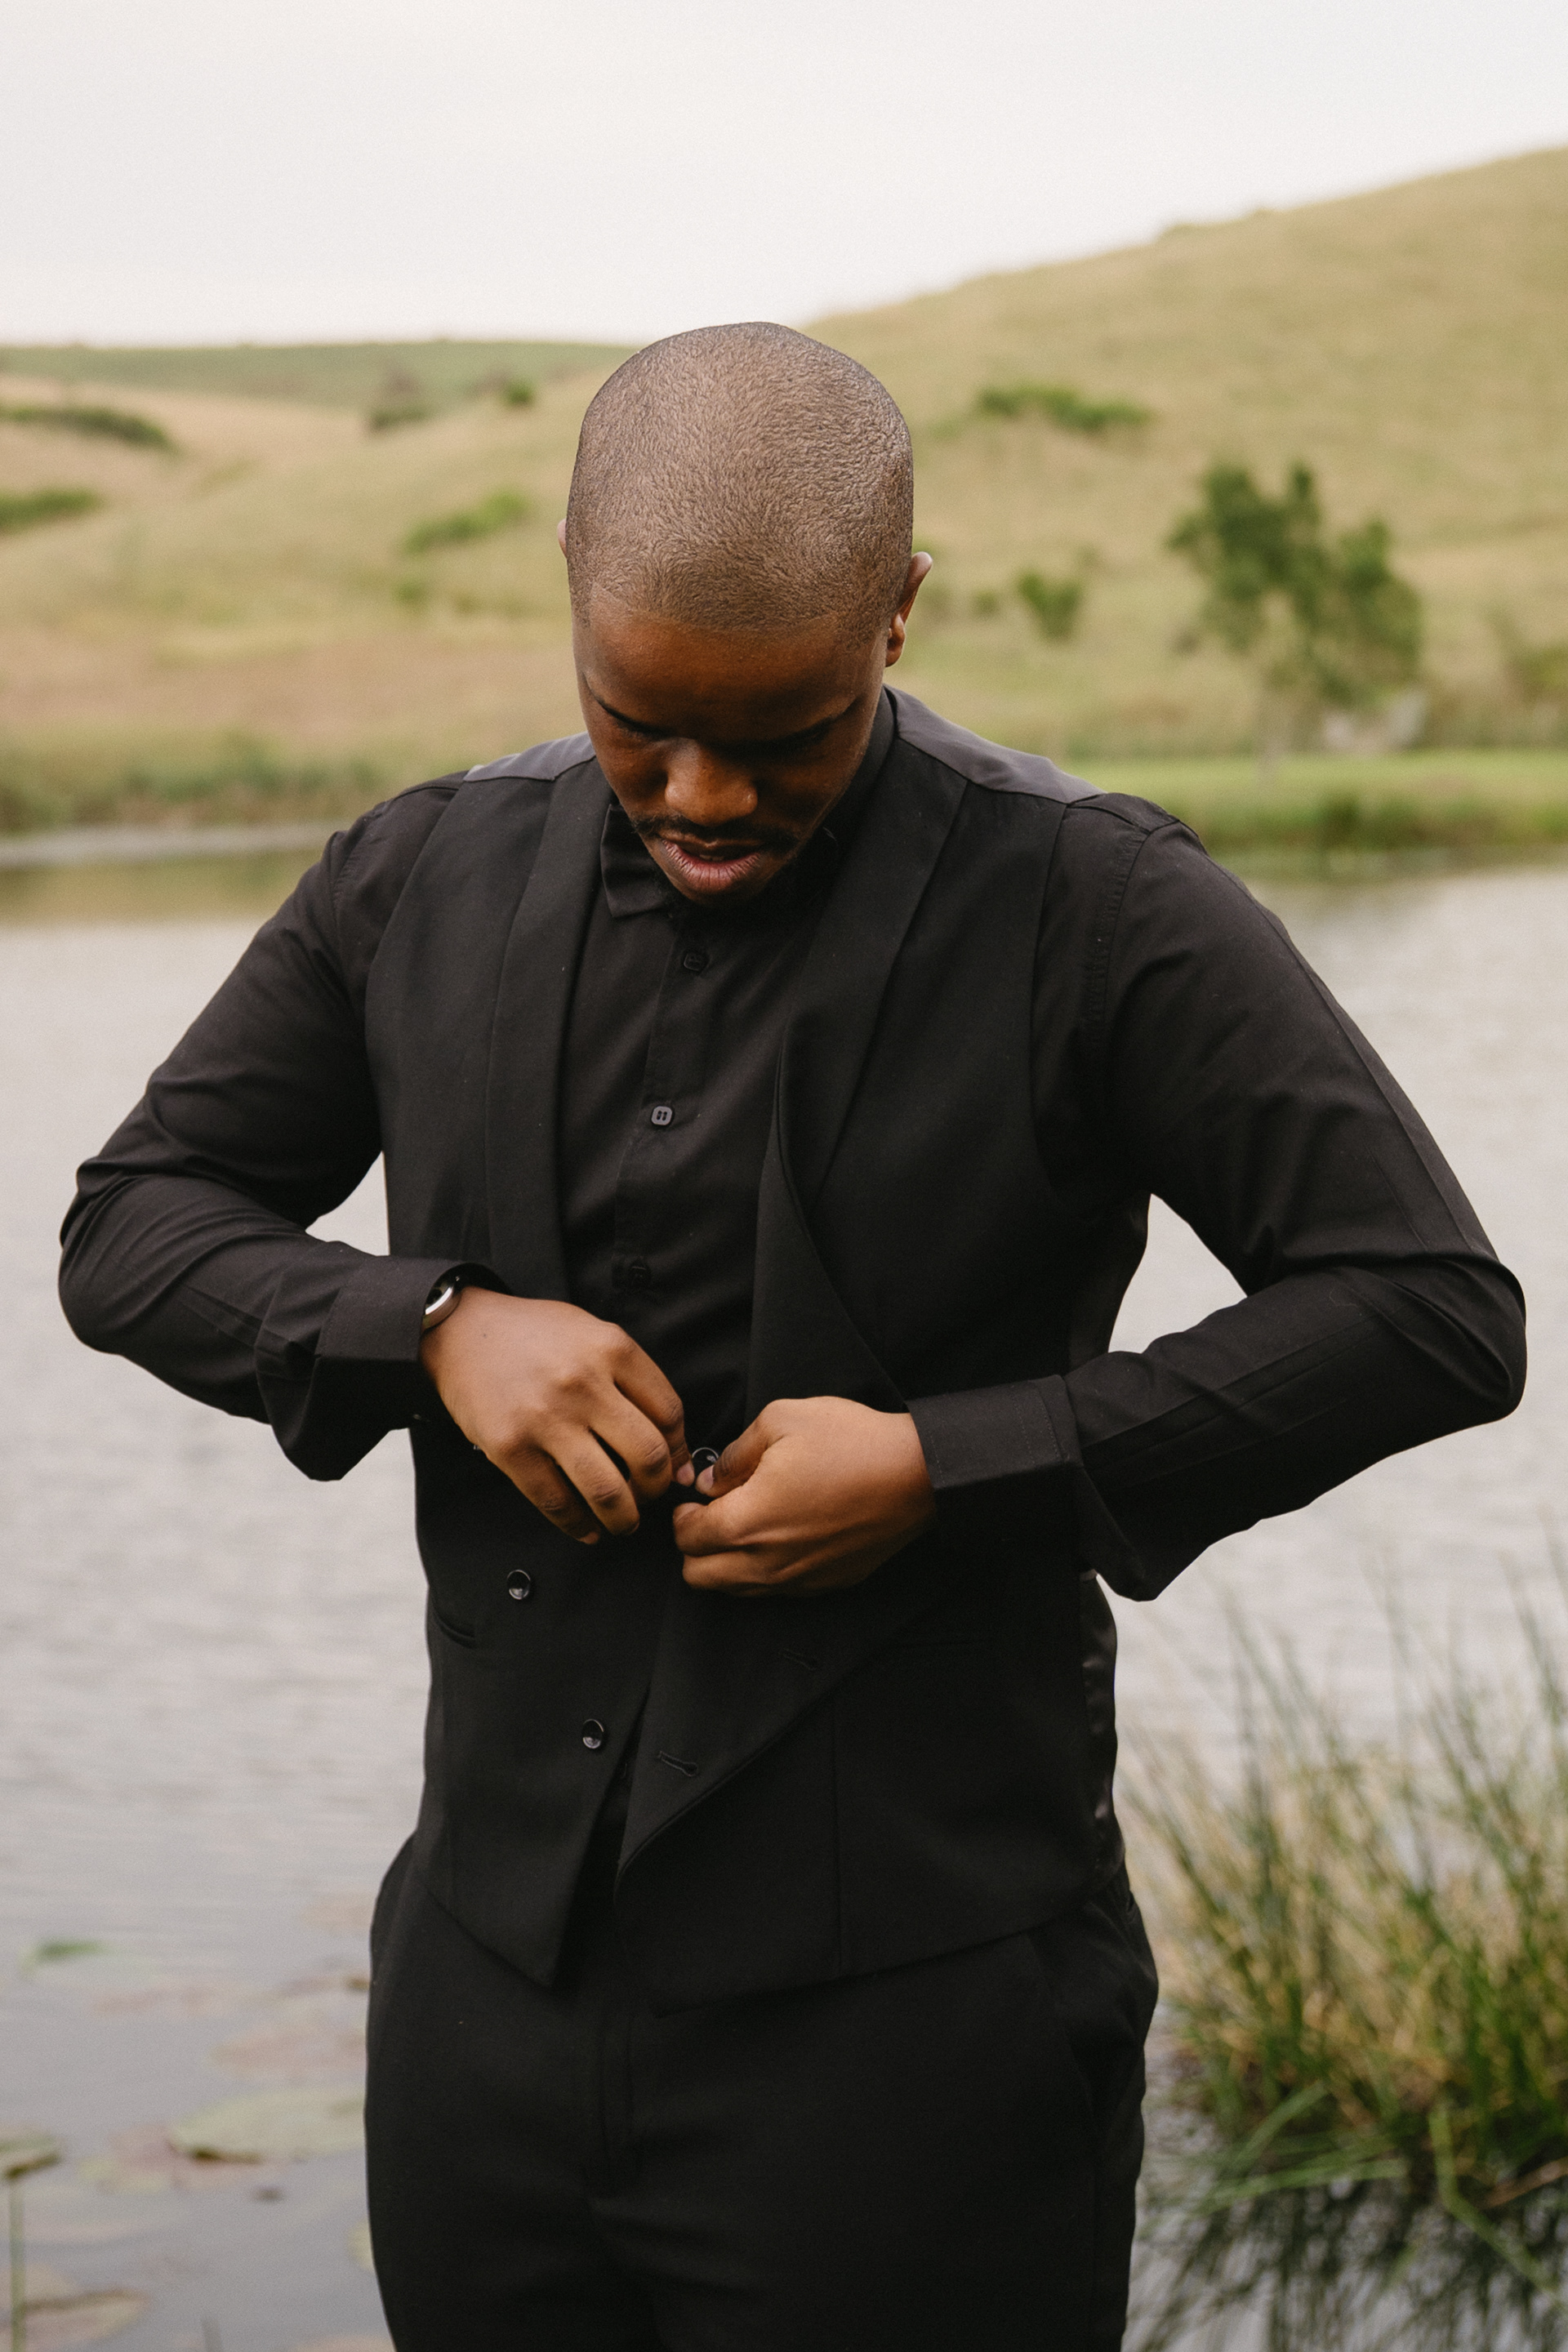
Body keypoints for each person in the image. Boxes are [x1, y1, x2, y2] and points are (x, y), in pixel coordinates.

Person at [60, 323, 1526, 2351]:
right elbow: (132, 1225)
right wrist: (431, 1326)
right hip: (482, 2019)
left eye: (789, 731)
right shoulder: (413, 876)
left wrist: (946, 1467)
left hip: (921, 2048)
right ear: (572, 598)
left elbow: (1430, 1311)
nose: (705, 795)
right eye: (638, 721)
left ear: (899, 613)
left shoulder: (1102, 907)